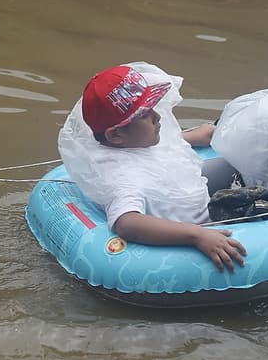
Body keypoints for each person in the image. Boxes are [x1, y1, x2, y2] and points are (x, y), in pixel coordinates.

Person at [56, 62, 247, 272]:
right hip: (203, 228)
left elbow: (152, 148)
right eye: (145, 115)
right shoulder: (122, 176)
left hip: (204, 210)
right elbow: (127, 222)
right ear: (116, 135)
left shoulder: (129, 143)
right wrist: (196, 235)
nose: (157, 116)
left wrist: (189, 137)